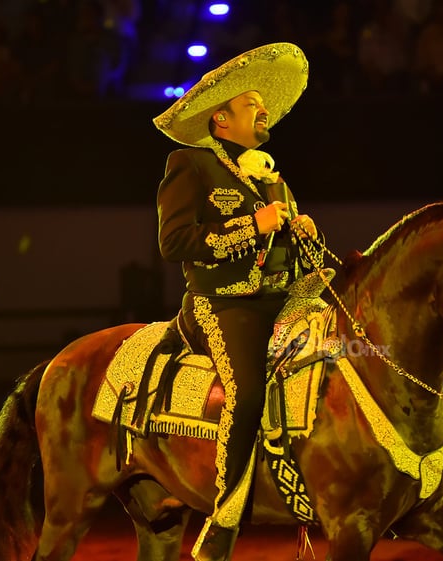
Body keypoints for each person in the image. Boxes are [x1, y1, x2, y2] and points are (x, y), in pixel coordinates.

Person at [152, 42, 319, 561]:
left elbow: (282, 249)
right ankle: (223, 518)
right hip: (223, 303)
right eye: (252, 104)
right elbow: (173, 243)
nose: (264, 109)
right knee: (246, 394)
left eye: (263, 106)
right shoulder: (191, 164)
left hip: (282, 299)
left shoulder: (271, 176)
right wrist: (256, 223)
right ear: (221, 119)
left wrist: (302, 231)